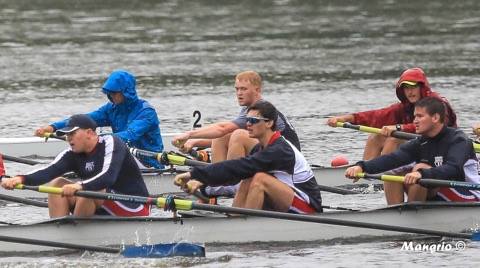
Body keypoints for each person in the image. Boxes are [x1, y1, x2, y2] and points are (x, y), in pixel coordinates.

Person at [174, 101, 322, 214]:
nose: (248, 124)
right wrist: (202, 182)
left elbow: (239, 166)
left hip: (309, 208)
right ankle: (234, 219)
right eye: (247, 120)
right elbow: (237, 171)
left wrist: (193, 174)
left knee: (259, 179)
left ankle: (245, 227)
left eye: (254, 121)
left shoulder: (280, 149)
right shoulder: (262, 147)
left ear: (269, 123)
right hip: (286, 197)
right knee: (248, 177)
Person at [2, 114, 151, 218]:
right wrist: (20, 178)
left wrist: (79, 186)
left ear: (89, 133)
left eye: (72, 134)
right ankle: (60, 230)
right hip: (100, 202)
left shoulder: (112, 142)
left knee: (89, 190)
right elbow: (47, 172)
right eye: (67, 135)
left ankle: (76, 232)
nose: (68, 138)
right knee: (58, 184)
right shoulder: (71, 154)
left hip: (134, 205)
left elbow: (108, 176)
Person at [345, 97, 480, 205]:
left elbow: (454, 168)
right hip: (438, 191)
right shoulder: (420, 142)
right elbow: (393, 159)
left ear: (435, 118)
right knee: (394, 171)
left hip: (468, 193)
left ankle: (412, 214)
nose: (415, 121)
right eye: (415, 116)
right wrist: (361, 166)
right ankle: (397, 213)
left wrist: (421, 173)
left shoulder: (458, 140)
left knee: (420, 168)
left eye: (420, 117)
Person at [35, 70, 163, 168]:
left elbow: (130, 135)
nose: (111, 97)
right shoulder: (111, 108)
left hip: (149, 163)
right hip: (125, 157)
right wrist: (54, 127)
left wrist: (98, 139)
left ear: (126, 92)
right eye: (110, 93)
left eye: (115, 93)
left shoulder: (146, 112)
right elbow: (85, 120)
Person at [327, 67, 457, 161]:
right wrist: (345, 118)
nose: (409, 92)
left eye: (413, 87)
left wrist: (399, 127)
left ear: (422, 87)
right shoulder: (405, 106)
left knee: (394, 138)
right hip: (421, 146)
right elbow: (377, 116)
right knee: (375, 136)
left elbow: (433, 127)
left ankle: (384, 172)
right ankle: (367, 175)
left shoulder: (437, 104)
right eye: (406, 88)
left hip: (443, 148)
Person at [172, 70, 300, 164]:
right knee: (225, 135)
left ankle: (231, 179)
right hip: (271, 151)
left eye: (244, 89)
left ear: (257, 90)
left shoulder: (260, 109)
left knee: (237, 134)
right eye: (237, 89)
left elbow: (223, 128)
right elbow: (223, 135)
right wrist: (194, 142)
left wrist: (188, 135)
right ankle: (218, 179)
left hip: (289, 157)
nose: (239, 93)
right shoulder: (248, 109)